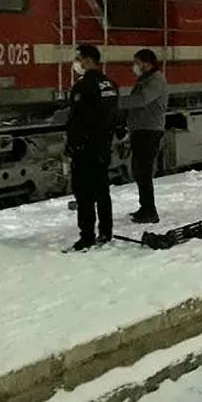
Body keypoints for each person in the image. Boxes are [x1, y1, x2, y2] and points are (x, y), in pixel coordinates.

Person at [65, 44, 119, 250]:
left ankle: (87, 236)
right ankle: (106, 231)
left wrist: (72, 145)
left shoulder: (83, 86)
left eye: (79, 59)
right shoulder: (110, 84)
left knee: (84, 194)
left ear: (87, 60)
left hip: (85, 148)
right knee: (102, 191)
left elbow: (77, 120)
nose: (76, 63)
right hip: (103, 145)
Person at [119, 48, 169, 224]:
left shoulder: (156, 81)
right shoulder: (146, 79)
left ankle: (150, 211)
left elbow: (141, 100)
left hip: (149, 130)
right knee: (139, 170)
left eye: (137, 63)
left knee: (144, 171)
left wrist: (113, 102)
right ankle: (145, 207)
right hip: (141, 129)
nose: (135, 66)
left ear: (147, 63)